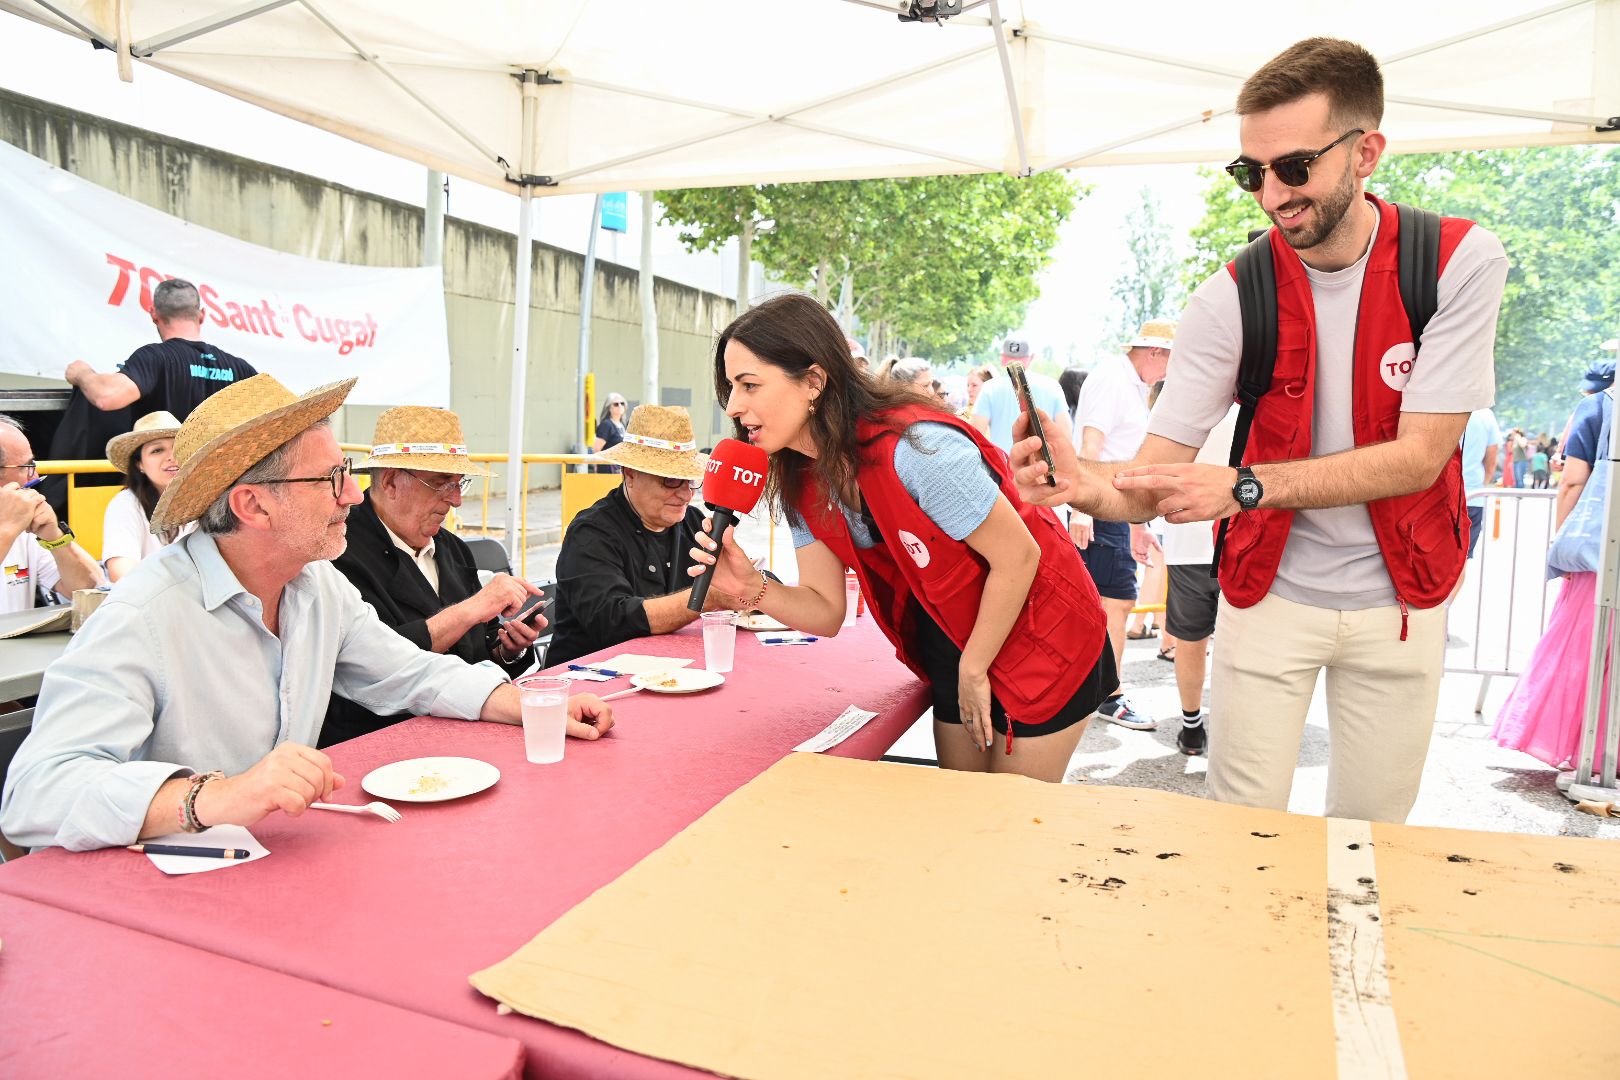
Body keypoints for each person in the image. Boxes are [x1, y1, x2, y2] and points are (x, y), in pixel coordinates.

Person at [1009, 37, 1509, 823]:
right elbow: (1151, 479)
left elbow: (1419, 458)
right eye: (1251, 172)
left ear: (1366, 152)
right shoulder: (1230, 296)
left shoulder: (1455, 261)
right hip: (1269, 598)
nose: (1271, 194)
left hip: (1404, 600)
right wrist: (1084, 486)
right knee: (1238, 835)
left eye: (1294, 168)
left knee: (1374, 842)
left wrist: (1245, 486)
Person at [0, 375, 612, 851]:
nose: (353, 493)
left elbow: (413, 672)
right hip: (163, 905)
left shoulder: (317, 587)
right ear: (253, 506)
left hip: (277, 865)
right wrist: (213, 796)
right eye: (333, 477)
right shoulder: (144, 614)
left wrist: (530, 704)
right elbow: (35, 793)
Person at [691, 293, 1114, 783]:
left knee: (1012, 826)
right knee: (965, 820)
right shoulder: (797, 478)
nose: (734, 405)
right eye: (730, 387)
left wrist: (974, 669)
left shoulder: (916, 449)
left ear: (813, 381)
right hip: (953, 645)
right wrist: (751, 589)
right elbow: (825, 611)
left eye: (749, 385)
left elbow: (1019, 557)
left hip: (1042, 632)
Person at [322, 406, 547, 747]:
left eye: (460, 484)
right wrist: (473, 608)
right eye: (442, 483)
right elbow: (377, 665)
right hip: (384, 744)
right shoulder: (339, 552)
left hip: (471, 730)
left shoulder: (452, 548)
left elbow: (478, 653)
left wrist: (507, 650)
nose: (455, 500)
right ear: (391, 481)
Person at [550, 405, 737, 667]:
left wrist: (744, 583)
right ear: (630, 474)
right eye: (671, 480)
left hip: (672, 670)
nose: (685, 494)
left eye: (691, 480)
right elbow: (614, 621)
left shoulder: (694, 522)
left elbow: (752, 583)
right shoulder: (591, 533)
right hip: (589, 685)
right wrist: (707, 596)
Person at [1491, 383, 1611, 769]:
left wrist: (1562, 539)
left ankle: (1582, 746)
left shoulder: (1598, 408)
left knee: (1583, 647)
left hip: (1603, 548)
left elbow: (1573, 480)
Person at [1070, 320, 1177, 731]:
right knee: (1114, 602)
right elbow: (1092, 446)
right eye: (1170, 358)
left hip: (1113, 507)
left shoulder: (1127, 382)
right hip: (1102, 506)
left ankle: (1098, 689)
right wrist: (1082, 510)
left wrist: (1137, 523)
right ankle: (1108, 695)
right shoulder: (1114, 380)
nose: (1171, 370)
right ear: (1154, 353)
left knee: (1111, 602)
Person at [1159, 406, 1239, 756]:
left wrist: (1136, 526)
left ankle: (1192, 727)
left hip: (1188, 540)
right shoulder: (1258, 396)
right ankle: (1225, 729)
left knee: (1191, 640)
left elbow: (1150, 467)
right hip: (1240, 539)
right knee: (1238, 646)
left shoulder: (1178, 402)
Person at [1, 414, 102, 611]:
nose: (35, 476)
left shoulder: (26, 528)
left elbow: (90, 588)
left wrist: (56, 538)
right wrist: (8, 529)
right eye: (27, 466)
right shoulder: (15, 524)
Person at [102, 411, 194, 582]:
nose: (171, 457)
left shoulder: (208, 500)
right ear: (139, 465)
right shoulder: (125, 504)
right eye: (157, 450)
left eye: (178, 447)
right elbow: (121, 574)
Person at [970, 337, 1067, 453]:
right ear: (1031, 357)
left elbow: (975, 436)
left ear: (1003, 358)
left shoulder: (990, 388)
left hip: (1002, 467)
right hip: (1041, 466)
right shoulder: (1052, 386)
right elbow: (1065, 436)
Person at [1460, 406, 1502, 562]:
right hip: (1472, 495)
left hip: (1440, 495)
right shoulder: (1485, 414)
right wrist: (1482, 484)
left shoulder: (1441, 404)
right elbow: (1491, 458)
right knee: (1462, 558)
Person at [590, 393, 629, 473]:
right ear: (609, 408)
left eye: (622, 403)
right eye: (616, 404)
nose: (620, 406)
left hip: (619, 468)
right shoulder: (606, 425)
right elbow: (596, 449)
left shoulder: (622, 425)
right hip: (608, 469)